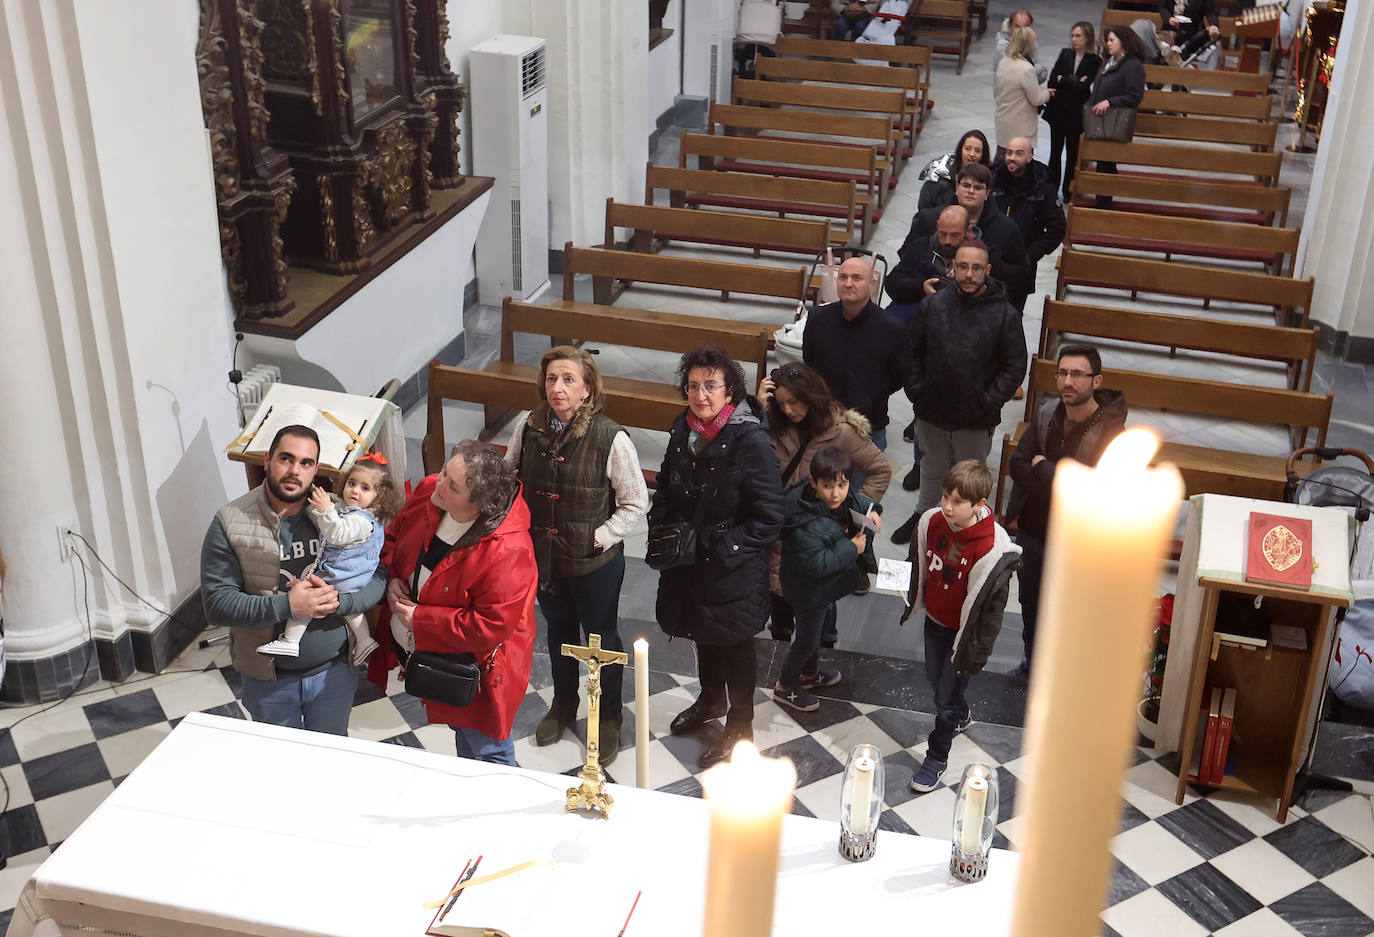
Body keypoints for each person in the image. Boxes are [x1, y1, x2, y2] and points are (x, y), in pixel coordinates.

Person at [503, 346, 648, 764]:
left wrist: (599, 536)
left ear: (587, 388)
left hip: (595, 561)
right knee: (559, 633)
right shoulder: (528, 426)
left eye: (568, 379)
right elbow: (509, 474)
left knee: (601, 638)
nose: (558, 387)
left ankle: (609, 717)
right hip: (545, 556)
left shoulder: (610, 436)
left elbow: (635, 501)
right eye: (551, 379)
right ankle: (564, 704)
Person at [201, 425, 387, 735]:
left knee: (330, 759)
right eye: (286, 459)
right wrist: (288, 604)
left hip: (334, 673)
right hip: (270, 681)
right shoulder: (230, 521)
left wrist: (344, 601)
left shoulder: (340, 512)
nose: (294, 471)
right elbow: (217, 605)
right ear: (267, 460)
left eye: (305, 463)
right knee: (280, 768)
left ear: (316, 468)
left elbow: (378, 573)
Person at [650, 345, 784, 769]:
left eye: (710, 386)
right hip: (689, 558)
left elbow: (771, 516)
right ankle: (709, 700)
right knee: (701, 631)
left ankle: (740, 726)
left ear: (731, 391)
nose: (700, 395)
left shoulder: (751, 440)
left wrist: (728, 547)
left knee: (736, 645)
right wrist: (661, 524)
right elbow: (669, 486)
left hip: (732, 567)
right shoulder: (682, 428)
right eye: (692, 386)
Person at [370, 441, 538, 766]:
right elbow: (393, 538)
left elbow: (488, 626)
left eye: (454, 486)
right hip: (432, 655)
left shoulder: (509, 551)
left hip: (479, 672)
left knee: (489, 752)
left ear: (481, 505)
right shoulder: (430, 491)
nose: (440, 483)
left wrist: (420, 618)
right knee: (462, 739)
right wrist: (393, 577)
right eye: (446, 472)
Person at [891, 240, 1027, 546]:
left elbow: (1015, 366)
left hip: (975, 417)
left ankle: (965, 533)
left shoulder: (1004, 314)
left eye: (976, 268)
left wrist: (988, 399)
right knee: (931, 468)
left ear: (987, 270)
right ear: (953, 268)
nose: (968, 273)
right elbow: (911, 351)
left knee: (968, 480)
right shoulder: (933, 304)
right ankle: (924, 519)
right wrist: (917, 391)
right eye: (962, 266)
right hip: (932, 409)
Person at [1005, 345, 1126, 675]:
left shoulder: (1112, 433)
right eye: (1062, 373)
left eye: (1077, 374)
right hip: (1032, 532)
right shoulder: (1047, 413)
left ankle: (1058, 673)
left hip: (1075, 540)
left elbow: (1094, 493)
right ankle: (1032, 664)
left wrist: (1044, 469)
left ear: (1096, 381)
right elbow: (1017, 464)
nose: (1067, 381)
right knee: (1029, 603)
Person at [901, 460, 1021, 792]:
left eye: (957, 502)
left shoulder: (990, 547)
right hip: (934, 621)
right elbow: (921, 560)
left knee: (944, 697)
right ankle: (961, 714)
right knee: (934, 678)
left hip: (962, 634)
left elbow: (991, 612)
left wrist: (976, 652)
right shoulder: (932, 522)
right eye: (944, 497)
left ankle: (937, 756)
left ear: (980, 505)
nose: (947, 507)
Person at [758, 362, 891, 640]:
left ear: (810, 395)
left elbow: (880, 468)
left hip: (820, 535)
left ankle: (817, 661)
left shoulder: (840, 430)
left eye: (793, 402)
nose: (787, 410)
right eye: (781, 403)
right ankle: (783, 660)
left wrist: (851, 507)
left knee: (820, 611)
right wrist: (760, 409)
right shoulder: (771, 423)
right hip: (780, 529)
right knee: (779, 602)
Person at [256, 454, 401, 665]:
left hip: (343, 574)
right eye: (352, 483)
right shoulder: (355, 512)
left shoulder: (361, 521)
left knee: (306, 598)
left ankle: (290, 640)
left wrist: (325, 510)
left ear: (380, 497)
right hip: (352, 577)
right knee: (351, 611)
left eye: (365, 488)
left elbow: (337, 533)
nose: (355, 491)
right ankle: (364, 640)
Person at [774, 447, 881, 712]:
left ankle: (809, 674)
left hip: (823, 588)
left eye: (842, 485)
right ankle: (785, 686)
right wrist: (851, 549)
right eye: (828, 486)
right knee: (807, 639)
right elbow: (816, 564)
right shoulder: (802, 522)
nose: (836, 493)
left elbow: (857, 501)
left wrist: (873, 509)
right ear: (813, 483)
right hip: (808, 590)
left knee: (818, 631)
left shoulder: (837, 498)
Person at [802, 255, 911, 452]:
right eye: (842, 277)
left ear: (872, 282)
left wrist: (868, 396)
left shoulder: (892, 328)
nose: (848, 283)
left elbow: (900, 375)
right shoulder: (817, 318)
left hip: (868, 426)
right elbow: (810, 361)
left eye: (856, 278)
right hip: (823, 421)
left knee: (863, 483)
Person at [889, 165, 1031, 312]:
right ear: (956, 188)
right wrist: (922, 284)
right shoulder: (928, 219)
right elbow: (905, 260)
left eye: (977, 188)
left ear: (987, 193)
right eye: (966, 185)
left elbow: (1021, 276)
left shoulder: (1006, 228)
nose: (971, 191)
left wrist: (988, 265)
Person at [991, 136, 1066, 312]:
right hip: (990, 262)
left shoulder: (1043, 187)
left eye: (1019, 154)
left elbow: (1057, 229)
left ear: (1029, 157)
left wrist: (1030, 254)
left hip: (1020, 267)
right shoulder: (993, 179)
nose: (1012, 158)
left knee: (1012, 318)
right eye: (1009, 152)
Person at [1090, 26, 1148, 207]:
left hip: (1116, 121)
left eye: (1112, 40)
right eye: (1107, 40)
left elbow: (1134, 96)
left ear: (1124, 42)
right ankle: (1101, 200)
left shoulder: (1133, 66)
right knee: (1103, 161)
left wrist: (1110, 102)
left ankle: (1104, 203)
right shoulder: (1110, 61)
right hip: (1102, 120)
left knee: (1107, 162)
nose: (1108, 43)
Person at [1043, 22, 1101, 200]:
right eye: (1073, 35)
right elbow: (1052, 80)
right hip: (1058, 111)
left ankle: (1068, 191)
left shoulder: (1094, 60)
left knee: (1073, 154)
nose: (1074, 40)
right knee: (1055, 152)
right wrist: (1072, 80)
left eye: (1079, 36)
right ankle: (1051, 190)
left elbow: (1084, 85)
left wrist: (1065, 79)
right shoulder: (1065, 53)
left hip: (1076, 114)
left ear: (1088, 38)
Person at [994, 28, 1051, 156]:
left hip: (1003, 121)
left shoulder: (1004, 62)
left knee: (1002, 156)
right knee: (1020, 163)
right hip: (1020, 125)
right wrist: (1047, 93)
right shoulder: (1026, 69)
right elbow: (1036, 98)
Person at [917, 129, 993, 211]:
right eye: (968, 149)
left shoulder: (990, 177)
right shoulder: (939, 176)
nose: (972, 154)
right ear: (960, 150)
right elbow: (924, 211)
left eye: (977, 151)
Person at [1160, 0, 1220, 68]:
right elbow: (1163, 8)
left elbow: (1210, 12)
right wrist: (1169, 19)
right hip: (1171, 33)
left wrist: (1213, 25)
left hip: (1193, 33)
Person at [993, 9, 1048, 83]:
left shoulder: (1032, 43)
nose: (1021, 31)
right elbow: (1015, 76)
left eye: (1025, 27)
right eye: (1017, 26)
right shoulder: (1002, 46)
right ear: (1011, 26)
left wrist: (1028, 74)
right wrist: (1037, 70)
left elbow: (1043, 75)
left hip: (1031, 92)